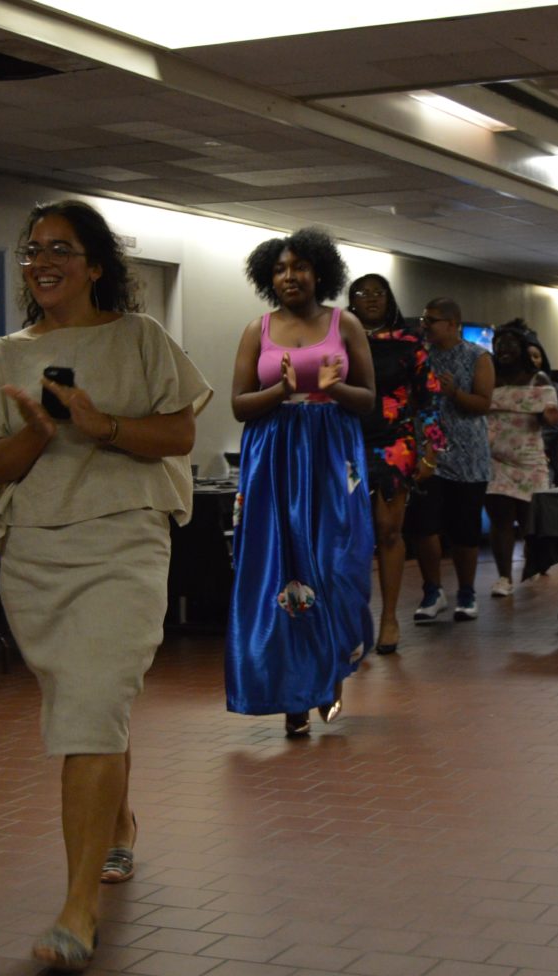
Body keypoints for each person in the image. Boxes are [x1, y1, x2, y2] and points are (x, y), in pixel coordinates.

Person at [0, 199, 211, 972]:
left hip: (123, 541)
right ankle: (120, 824)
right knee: (88, 703)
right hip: (36, 551)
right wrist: (35, 432)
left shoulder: (139, 339)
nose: (42, 263)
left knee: (92, 702)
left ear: (96, 264)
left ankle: (76, 908)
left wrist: (104, 429)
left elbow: (180, 434)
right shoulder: (1, 357)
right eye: (32, 251)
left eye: (60, 249)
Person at [225, 228, 375, 738]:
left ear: (320, 273)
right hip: (274, 458)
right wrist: (279, 391)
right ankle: (295, 692)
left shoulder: (345, 323)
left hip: (332, 455)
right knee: (280, 573)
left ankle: (330, 671)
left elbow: (369, 400)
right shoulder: (257, 329)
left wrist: (335, 388)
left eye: (300, 267)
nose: (290, 277)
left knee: (335, 565)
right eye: (280, 270)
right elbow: (239, 404)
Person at [347, 273, 445, 654]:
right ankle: (356, 620)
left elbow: (430, 400)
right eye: (361, 293)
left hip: (394, 443)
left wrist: (431, 452)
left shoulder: (410, 344)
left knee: (389, 529)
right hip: (346, 443)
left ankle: (389, 618)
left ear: (389, 299)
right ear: (350, 301)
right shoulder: (338, 340)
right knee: (351, 534)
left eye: (378, 292)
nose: (370, 298)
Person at [403, 298, 494, 622]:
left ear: (453, 324)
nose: (425, 325)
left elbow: (483, 403)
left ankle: (466, 593)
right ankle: (432, 591)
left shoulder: (477, 356)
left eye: (432, 320)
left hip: (467, 456)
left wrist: (455, 393)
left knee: (464, 530)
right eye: (424, 319)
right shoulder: (419, 356)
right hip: (428, 455)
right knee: (424, 525)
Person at [485, 322, 558, 596]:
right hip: (494, 459)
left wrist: (550, 416)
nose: (503, 349)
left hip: (529, 460)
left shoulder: (537, 379)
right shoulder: (487, 377)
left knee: (529, 521)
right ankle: (504, 577)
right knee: (501, 519)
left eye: (510, 345)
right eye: (498, 345)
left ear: (523, 350)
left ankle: (536, 560)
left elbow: (549, 415)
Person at [525, 331, 558, 487]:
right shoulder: (512, 389)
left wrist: (541, 444)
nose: (532, 361)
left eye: (536, 356)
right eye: (528, 356)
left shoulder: (554, 388)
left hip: (548, 452)